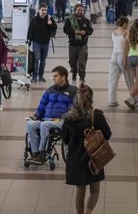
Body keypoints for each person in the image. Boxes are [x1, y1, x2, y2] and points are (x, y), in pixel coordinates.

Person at [62, 84, 111, 214]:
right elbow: (108, 135)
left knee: (80, 192)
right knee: (95, 191)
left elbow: (65, 139)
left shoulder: (69, 118)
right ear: (91, 98)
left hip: (76, 160)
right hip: (94, 159)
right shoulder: (98, 116)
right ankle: (89, 212)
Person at [26, 66, 77, 164]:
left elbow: (77, 107)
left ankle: (42, 153)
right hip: (47, 119)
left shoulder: (73, 91)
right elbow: (42, 105)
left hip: (62, 122)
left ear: (63, 77)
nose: (53, 78)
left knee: (45, 125)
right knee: (30, 124)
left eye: (56, 76)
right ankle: (35, 153)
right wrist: (36, 116)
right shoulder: (50, 90)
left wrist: (71, 115)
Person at [27, 3, 57, 83]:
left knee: (43, 60)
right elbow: (30, 31)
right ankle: (34, 76)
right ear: (39, 10)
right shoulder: (34, 19)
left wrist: (50, 25)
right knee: (36, 59)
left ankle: (41, 76)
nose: (44, 12)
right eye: (42, 10)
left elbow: (54, 28)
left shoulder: (49, 18)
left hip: (45, 43)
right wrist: (28, 41)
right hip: (36, 43)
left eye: (45, 10)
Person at [63, 4, 94, 83]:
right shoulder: (69, 20)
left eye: (81, 10)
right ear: (75, 11)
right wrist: (74, 32)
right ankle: (74, 73)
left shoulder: (86, 21)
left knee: (82, 61)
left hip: (83, 45)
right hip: (73, 44)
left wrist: (85, 32)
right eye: (78, 10)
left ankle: (82, 76)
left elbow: (90, 31)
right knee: (72, 61)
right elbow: (65, 30)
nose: (80, 12)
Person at [109, 17, 134, 107]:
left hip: (113, 56)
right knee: (129, 79)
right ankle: (135, 99)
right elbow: (124, 49)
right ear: (124, 23)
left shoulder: (113, 32)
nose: (128, 25)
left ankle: (112, 100)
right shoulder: (126, 33)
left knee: (112, 79)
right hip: (122, 56)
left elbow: (114, 44)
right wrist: (124, 61)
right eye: (127, 23)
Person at [123, 19, 138, 109]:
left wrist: (125, 62)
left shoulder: (129, 35)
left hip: (131, 58)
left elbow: (124, 50)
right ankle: (131, 98)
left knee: (136, 81)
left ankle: (134, 100)